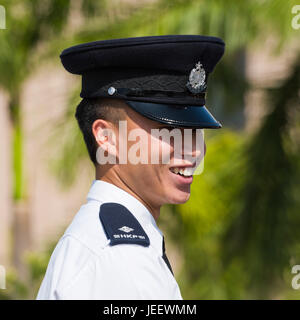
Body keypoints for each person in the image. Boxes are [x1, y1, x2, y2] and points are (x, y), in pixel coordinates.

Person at [36, 35, 225, 300]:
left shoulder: (112, 245)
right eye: (169, 129)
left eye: (195, 131)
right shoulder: (122, 259)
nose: (194, 151)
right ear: (107, 138)